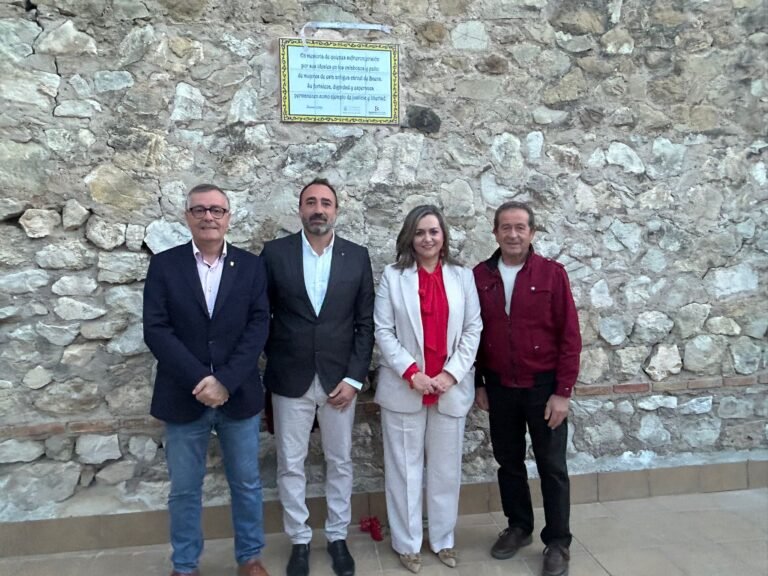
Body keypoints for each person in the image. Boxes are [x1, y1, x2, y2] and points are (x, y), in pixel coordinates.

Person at [143, 184, 271, 576]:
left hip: (239, 395)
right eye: (200, 209)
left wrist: (226, 381)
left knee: (247, 484)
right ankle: (185, 566)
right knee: (184, 490)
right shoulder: (165, 265)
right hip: (184, 395)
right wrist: (202, 379)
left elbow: (258, 326)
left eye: (217, 210)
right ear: (187, 217)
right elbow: (157, 329)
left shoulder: (250, 267)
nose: (208, 217)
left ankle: (249, 559)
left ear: (228, 217)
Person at [260, 178, 375, 576]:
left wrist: (355, 378)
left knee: (340, 460)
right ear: (300, 210)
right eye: (311, 202)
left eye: (326, 202)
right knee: (291, 463)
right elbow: (262, 316)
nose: (318, 209)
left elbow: (365, 324)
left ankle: (338, 536)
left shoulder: (356, 257)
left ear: (336, 211)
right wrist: (273, 358)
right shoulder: (275, 254)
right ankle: (300, 539)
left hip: (339, 381)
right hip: (290, 377)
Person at [473, 201, 581, 576]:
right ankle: (518, 526)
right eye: (506, 227)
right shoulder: (480, 276)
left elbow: (570, 337)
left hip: (543, 388)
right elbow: (471, 336)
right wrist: (478, 383)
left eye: (520, 227)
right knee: (509, 462)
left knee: (552, 466)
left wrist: (563, 392)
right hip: (501, 388)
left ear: (532, 232)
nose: (513, 234)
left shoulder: (552, 274)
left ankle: (558, 542)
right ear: (495, 233)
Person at [374, 205, 482, 573]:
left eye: (434, 231)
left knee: (445, 470)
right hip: (408, 387)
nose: (427, 238)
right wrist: (411, 372)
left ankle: (443, 540)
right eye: (420, 232)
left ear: (444, 236)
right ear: (409, 236)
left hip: (449, 387)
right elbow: (383, 330)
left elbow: (473, 329)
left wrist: (450, 374)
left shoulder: (461, 276)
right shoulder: (393, 276)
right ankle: (407, 543)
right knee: (404, 469)